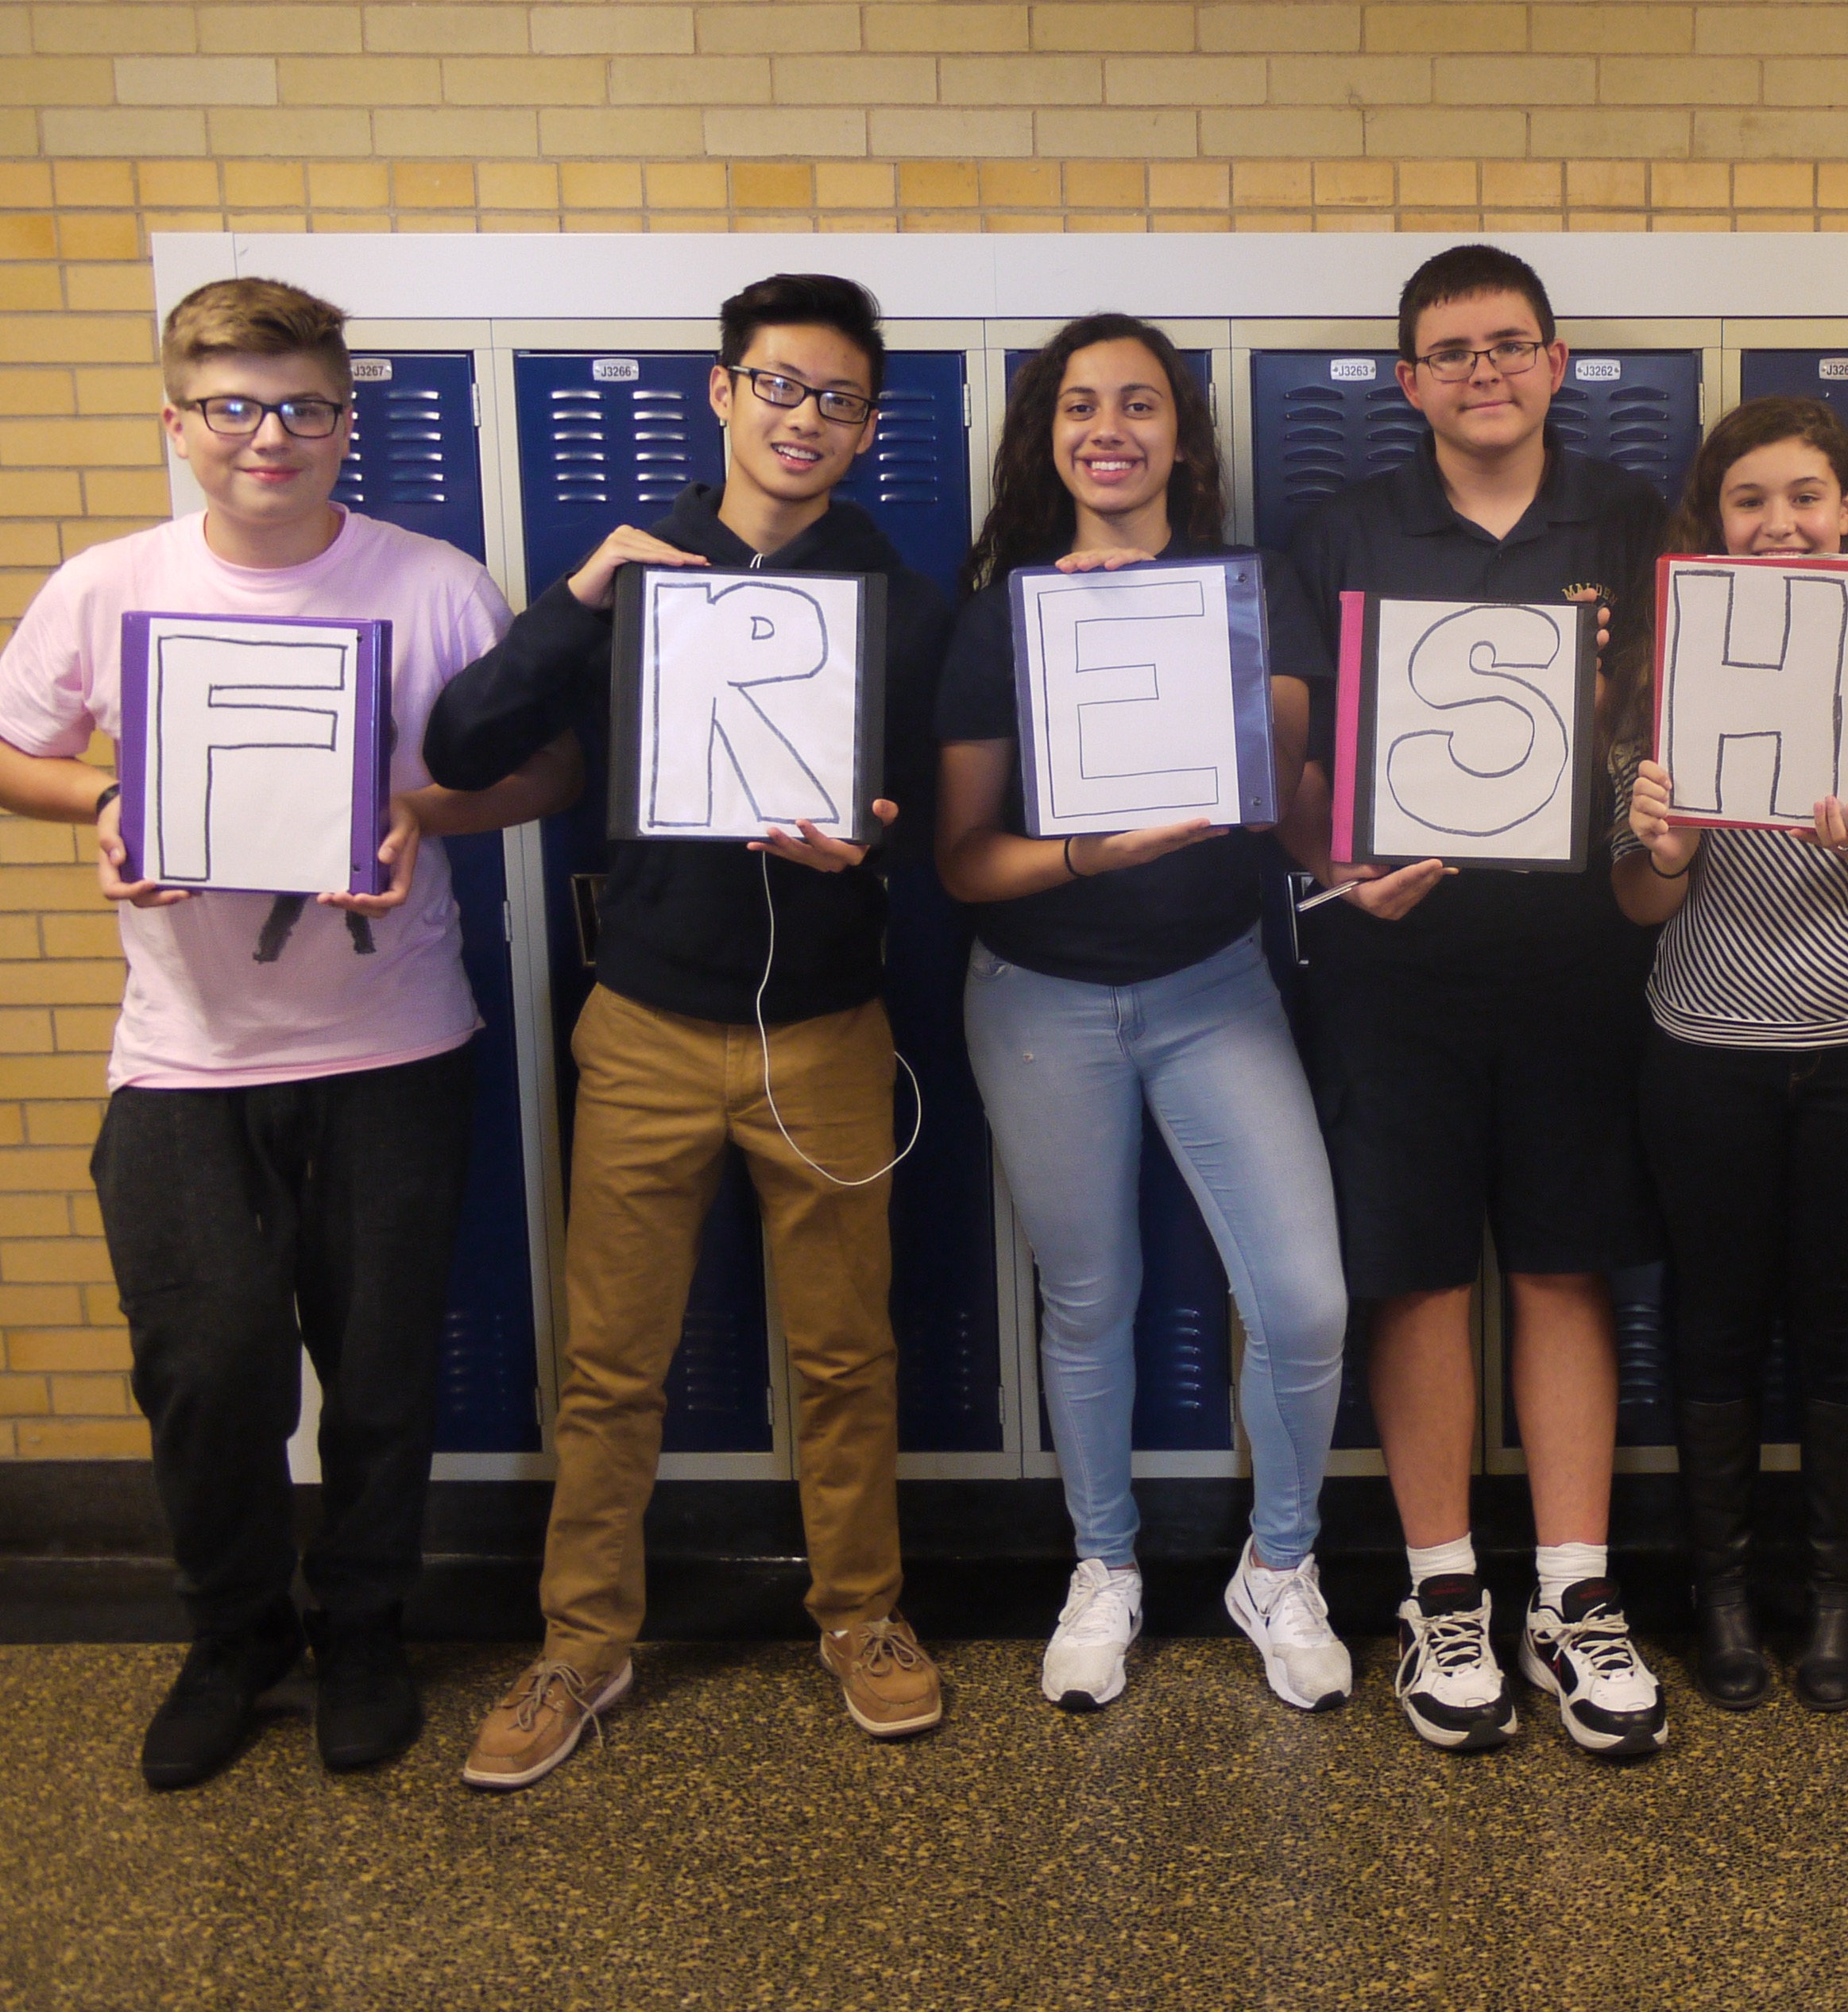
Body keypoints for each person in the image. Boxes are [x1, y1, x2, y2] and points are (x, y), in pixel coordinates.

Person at [0, 277, 581, 1788]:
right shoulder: (107, 585)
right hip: (186, 1055)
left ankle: (368, 1629)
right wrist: (107, 802)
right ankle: (233, 1634)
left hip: (394, 1042)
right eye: (235, 407)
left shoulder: (435, 583)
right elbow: (16, 754)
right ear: (180, 423)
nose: (273, 437)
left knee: (383, 1366)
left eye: (305, 408)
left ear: (343, 421)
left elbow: (545, 771)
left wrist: (415, 809)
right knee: (209, 1368)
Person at [430, 272, 956, 1790]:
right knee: (610, 1362)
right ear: (723, 394)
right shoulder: (632, 579)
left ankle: (862, 1615)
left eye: (838, 400)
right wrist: (579, 592)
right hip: (647, 1025)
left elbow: (929, 819)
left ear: (867, 430)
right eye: (779, 387)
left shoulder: (898, 605)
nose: (805, 419)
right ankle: (581, 1646)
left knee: (849, 1352)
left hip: (829, 1034)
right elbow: (462, 744)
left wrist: (872, 841)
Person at [1281, 244, 1670, 1759]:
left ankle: (1574, 1595)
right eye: (1451, 353)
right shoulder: (1345, 533)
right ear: (1409, 381)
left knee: (1570, 1267)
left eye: (1510, 347)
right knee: (1419, 1272)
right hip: (1398, 971)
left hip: (1586, 959)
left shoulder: (1636, 528)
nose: (1484, 374)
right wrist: (1333, 858)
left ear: (1558, 362)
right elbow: (1295, 776)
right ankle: (1444, 1593)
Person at [937, 314, 1351, 1717]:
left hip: (1212, 991)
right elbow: (962, 859)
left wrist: (1149, 629)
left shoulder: (1256, 587)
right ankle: (1103, 1567)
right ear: (1047, 439)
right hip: (1040, 1000)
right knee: (1090, 1300)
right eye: (1078, 407)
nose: (1107, 429)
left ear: (1182, 434)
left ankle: (1277, 1568)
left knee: (1303, 1300)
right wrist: (1082, 855)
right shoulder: (997, 617)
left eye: (1139, 405)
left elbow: (1274, 769)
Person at [1611, 399, 1848, 1712]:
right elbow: (1638, 903)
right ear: (1715, 520)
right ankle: (1719, 1598)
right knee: (1712, 1326)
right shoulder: (1664, 666)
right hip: (1706, 1045)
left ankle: (1834, 1600)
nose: (1779, 525)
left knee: (1844, 1332)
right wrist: (1663, 852)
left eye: (1804, 497)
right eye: (1749, 500)